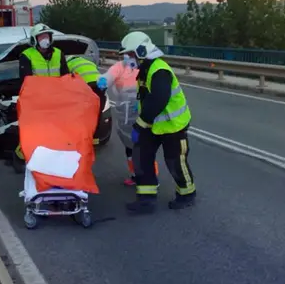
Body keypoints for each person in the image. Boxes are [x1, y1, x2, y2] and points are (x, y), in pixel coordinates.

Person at [118, 31, 196, 213]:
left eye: (130, 54)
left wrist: (140, 124)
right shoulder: (145, 69)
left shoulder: (159, 70)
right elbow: (146, 97)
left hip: (173, 126)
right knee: (141, 157)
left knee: (175, 161)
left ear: (141, 51)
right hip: (153, 124)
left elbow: (158, 100)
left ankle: (187, 194)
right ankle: (146, 199)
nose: (127, 59)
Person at [13, 24, 70, 169]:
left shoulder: (58, 53)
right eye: (41, 37)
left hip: (56, 101)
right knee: (33, 132)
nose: (45, 39)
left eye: (47, 36)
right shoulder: (27, 55)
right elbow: (26, 81)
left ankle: (51, 160)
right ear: (34, 40)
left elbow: (66, 77)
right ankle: (20, 157)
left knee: (56, 132)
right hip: (36, 102)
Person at [97, 56, 159, 186]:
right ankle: (135, 175)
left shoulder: (145, 67)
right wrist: (104, 80)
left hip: (142, 113)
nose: (128, 57)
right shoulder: (120, 66)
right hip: (125, 115)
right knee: (129, 147)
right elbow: (110, 75)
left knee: (144, 148)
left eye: (131, 53)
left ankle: (151, 177)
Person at [66, 54, 105, 145]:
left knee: (82, 111)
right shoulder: (88, 62)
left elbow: (67, 80)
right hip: (101, 85)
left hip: (87, 85)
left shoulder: (69, 64)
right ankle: (96, 136)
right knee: (98, 110)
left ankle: (81, 134)